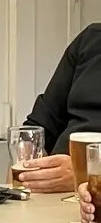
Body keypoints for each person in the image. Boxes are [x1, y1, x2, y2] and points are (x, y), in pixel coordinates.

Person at [21, 22, 101, 195]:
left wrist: (85, 173)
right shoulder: (91, 39)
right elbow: (39, 125)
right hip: (50, 190)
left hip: (91, 198)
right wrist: (24, 170)